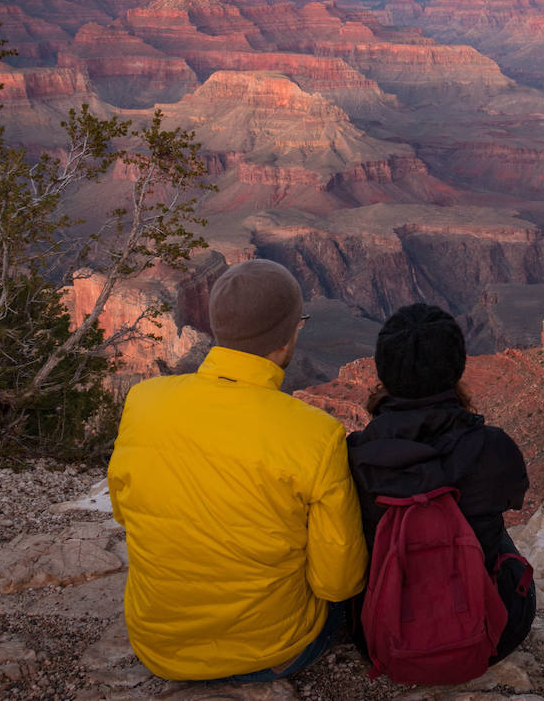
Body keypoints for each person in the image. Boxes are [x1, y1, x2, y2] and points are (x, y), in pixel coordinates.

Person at [107, 259, 368, 682]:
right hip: (274, 653)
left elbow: (124, 512)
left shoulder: (142, 401)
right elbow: (337, 584)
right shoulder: (317, 435)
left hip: (159, 649)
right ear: (290, 335)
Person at [347, 303, 535, 670]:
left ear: (383, 371)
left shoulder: (353, 455)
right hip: (492, 634)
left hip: (379, 636)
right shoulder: (494, 446)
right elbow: (515, 497)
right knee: (495, 532)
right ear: (458, 367)